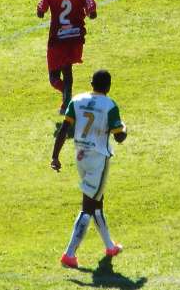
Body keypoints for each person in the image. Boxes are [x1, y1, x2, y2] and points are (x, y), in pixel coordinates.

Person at [51, 69, 127, 269]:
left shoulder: (76, 100)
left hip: (80, 157)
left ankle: (110, 246)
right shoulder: (109, 105)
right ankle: (69, 254)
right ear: (108, 87)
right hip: (97, 159)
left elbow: (64, 129)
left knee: (97, 201)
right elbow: (119, 137)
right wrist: (124, 128)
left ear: (91, 83)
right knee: (88, 207)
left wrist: (55, 156)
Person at [37, 0, 98, 114]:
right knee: (67, 69)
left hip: (57, 38)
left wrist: (43, 11)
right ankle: (67, 102)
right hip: (75, 37)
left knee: (53, 78)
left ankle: (67, 98)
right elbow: (92, 11)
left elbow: (40, 10)